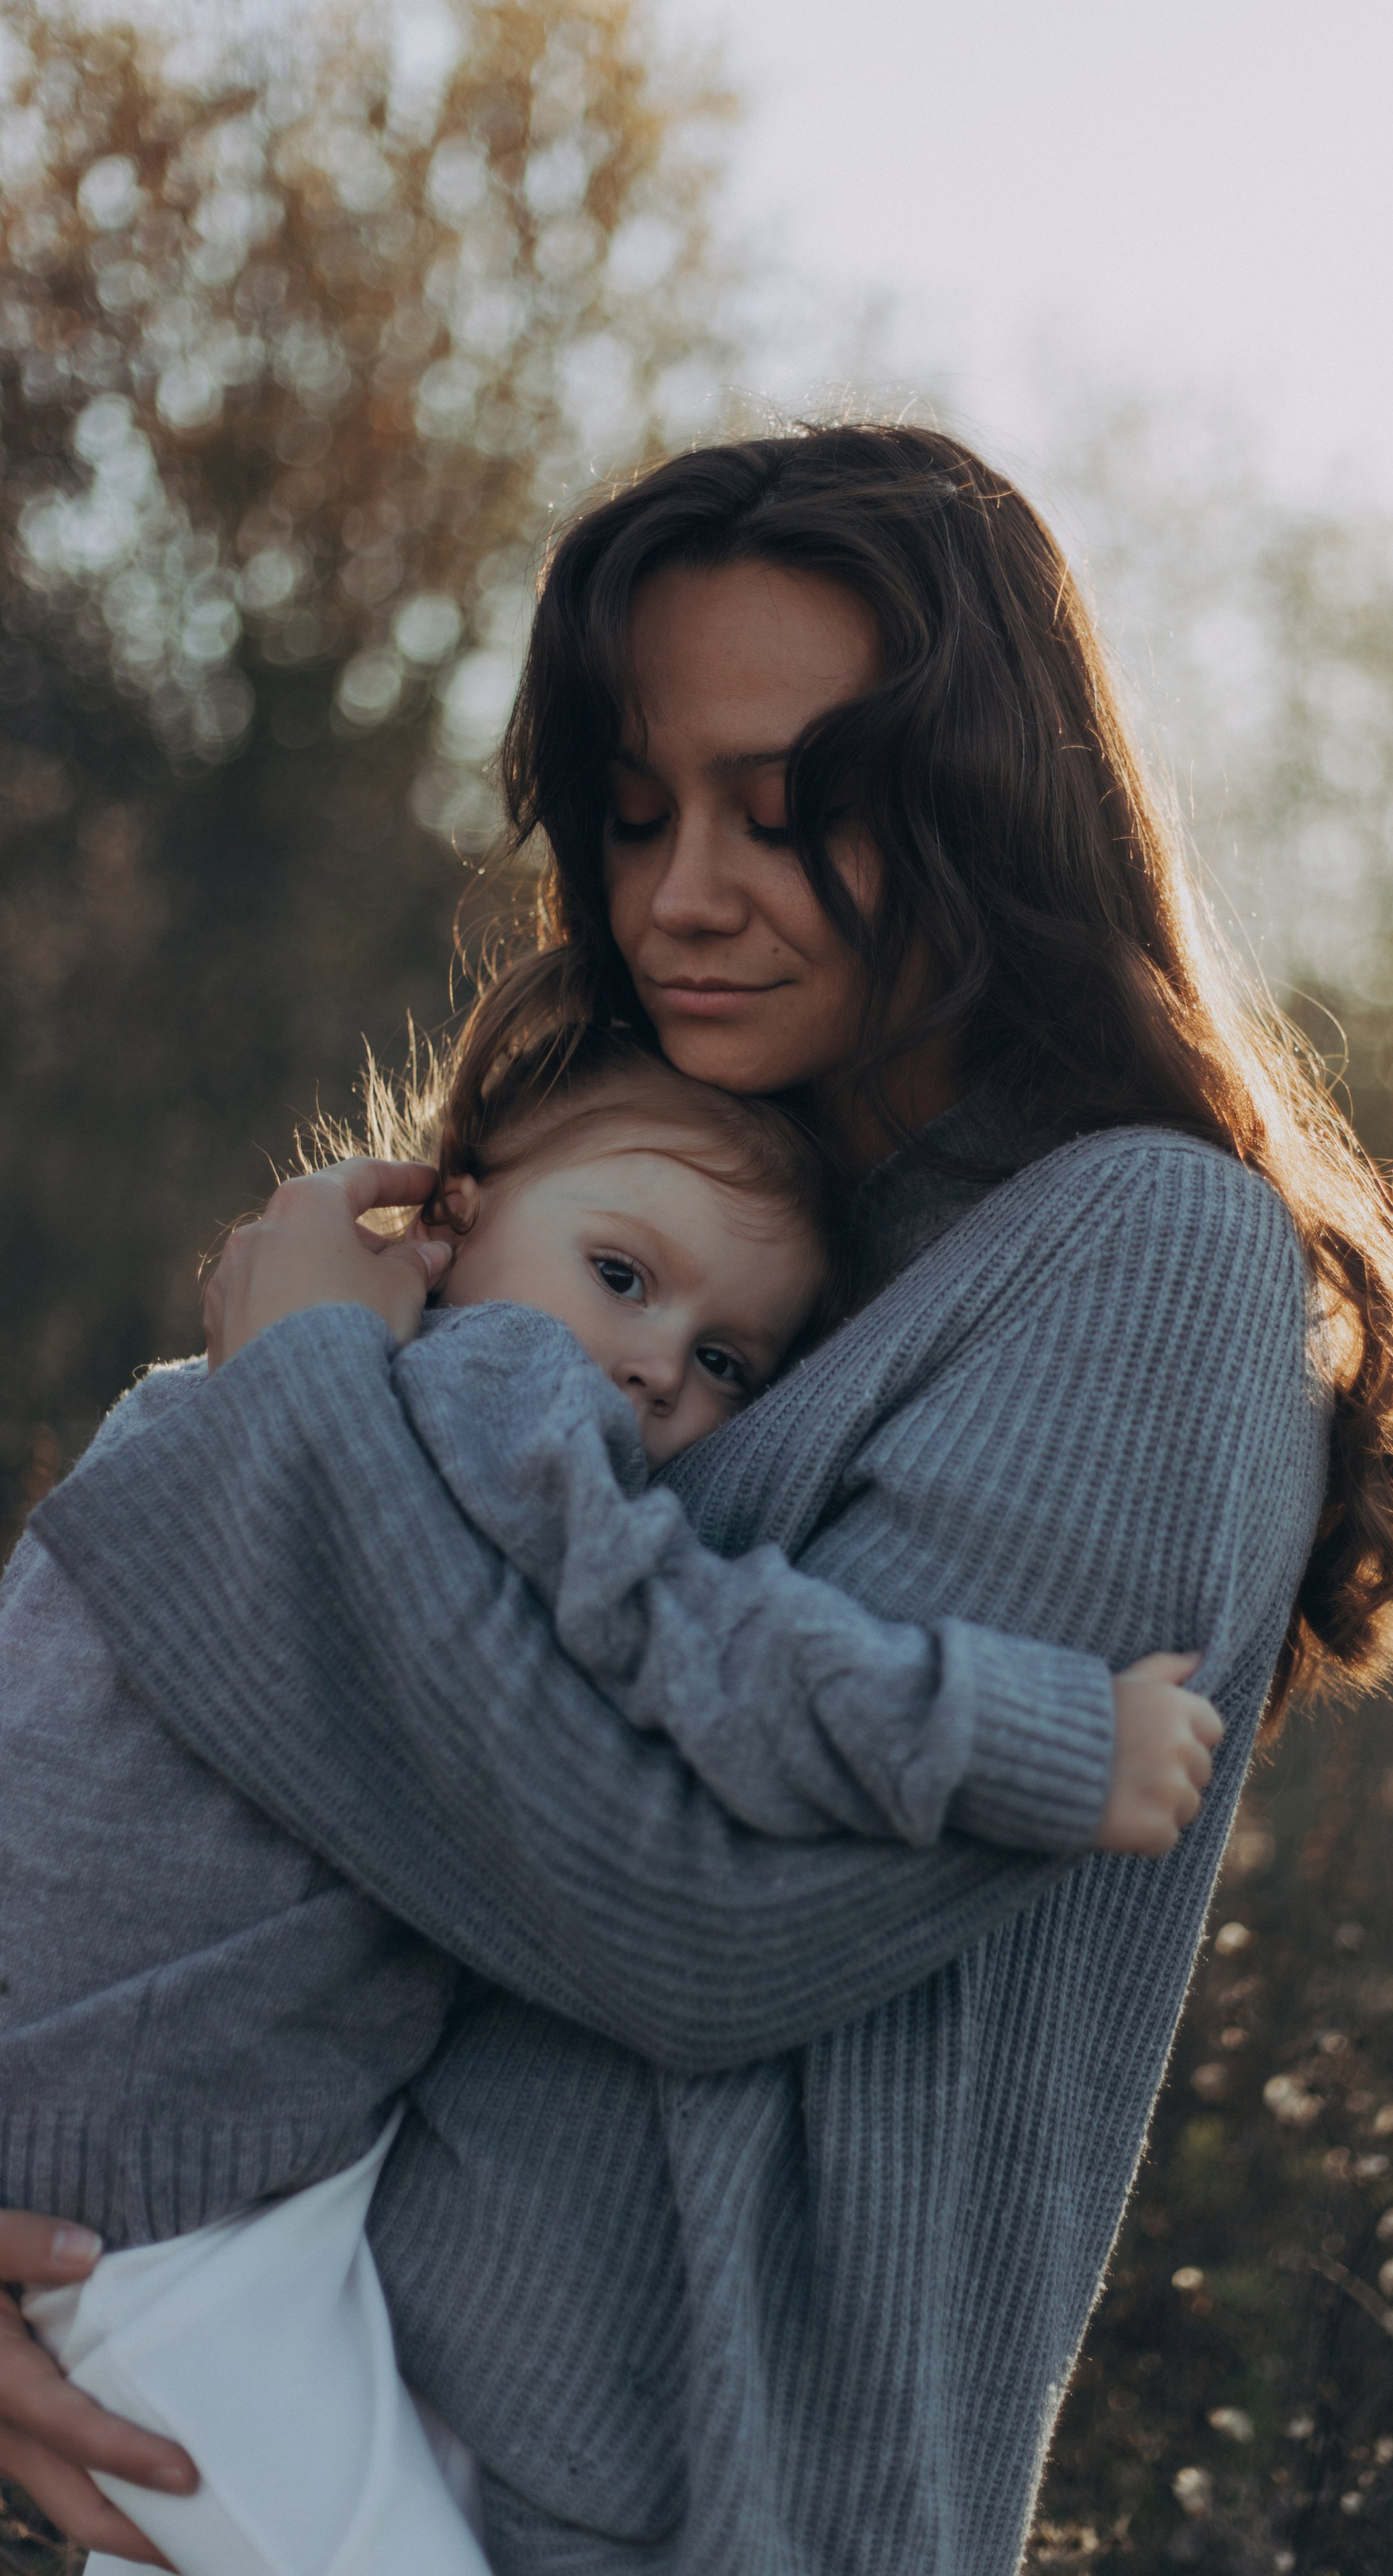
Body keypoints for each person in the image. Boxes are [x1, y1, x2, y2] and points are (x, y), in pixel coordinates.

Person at [0, 423, 1393, 2574]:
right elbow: (134, 1783)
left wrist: (306, 1391)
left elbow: (705, 1922)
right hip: (230, 2393)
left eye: (792, 817)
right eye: (634, 812)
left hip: (668, 2510)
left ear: (986, 813)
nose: (683, 891)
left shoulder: (1142, 1258)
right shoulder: (679, 1224)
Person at [1, 978, 1220, 2575]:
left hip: (162, 2151)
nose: (651, 1369)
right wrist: (1035, 1736)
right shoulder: (489, 1390)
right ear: (445, 1220)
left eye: (725, 1357)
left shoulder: (217, 1410)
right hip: (156, 2205)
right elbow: (693, 1640)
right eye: (623, 1274)